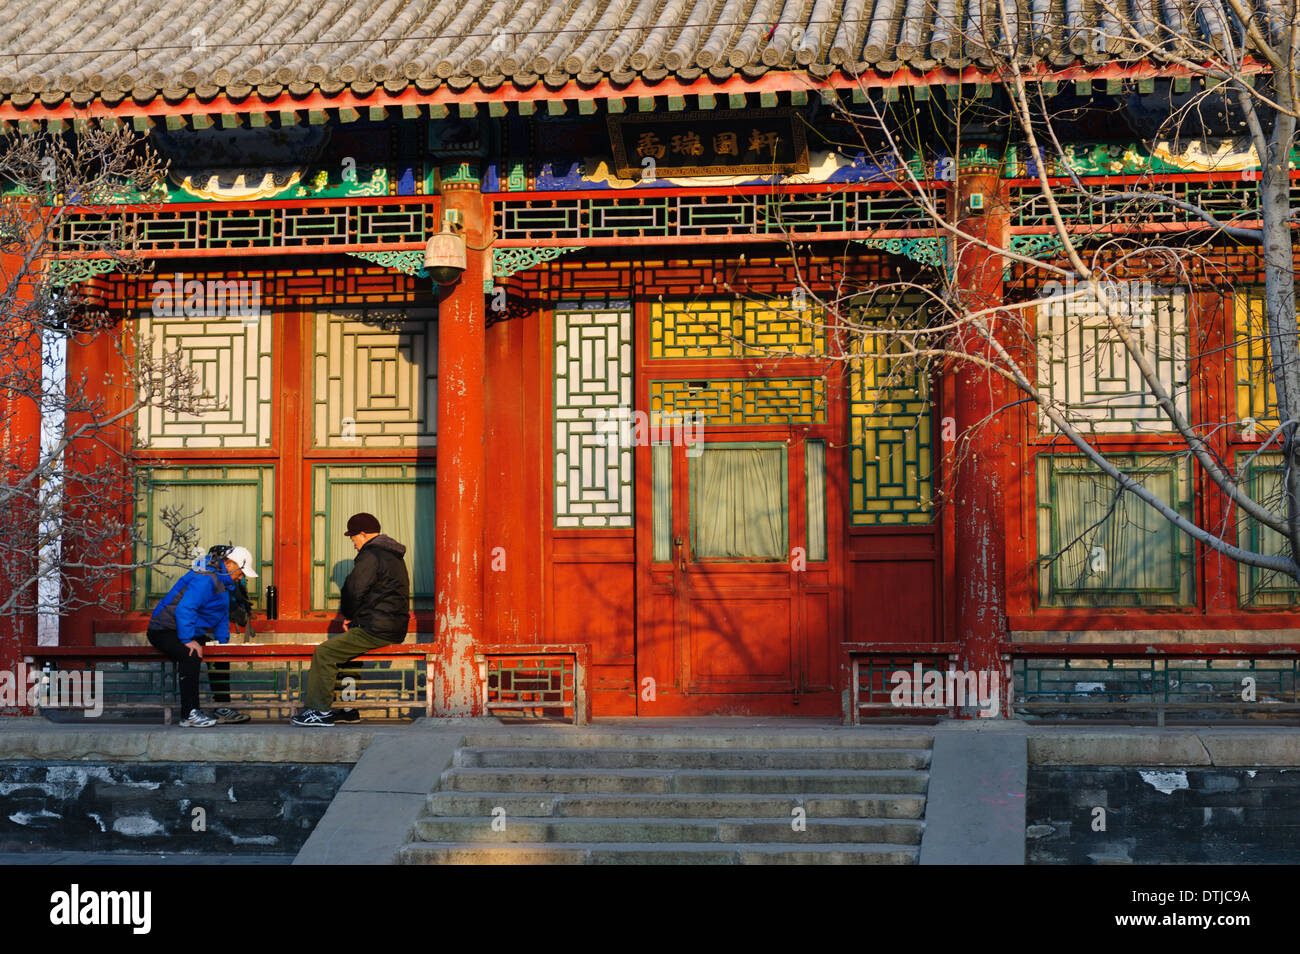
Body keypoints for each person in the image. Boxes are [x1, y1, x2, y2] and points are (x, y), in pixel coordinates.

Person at [292, 513, 410, 727]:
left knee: (325, 652)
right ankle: (347, 709)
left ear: (362, 534)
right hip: (392, 625)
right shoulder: (393, 555)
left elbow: (354, 590)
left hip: (376, 627)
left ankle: (319, 710)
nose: (353, 543)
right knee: (346, 654)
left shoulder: (371, 555)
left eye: (352, 537)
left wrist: (347, 615)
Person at [147, 545, 258, 727]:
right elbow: (185, 609)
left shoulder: (224, 583)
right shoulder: (206, 579)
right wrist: (188, 641)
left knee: (220, 655)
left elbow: (221, 614)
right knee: (190, 655)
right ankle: (189, 714)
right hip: (164, 629)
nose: (242, 577)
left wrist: (223, 643)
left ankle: (222, 707)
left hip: (187, 630)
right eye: (241, 572)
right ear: (230, 564)